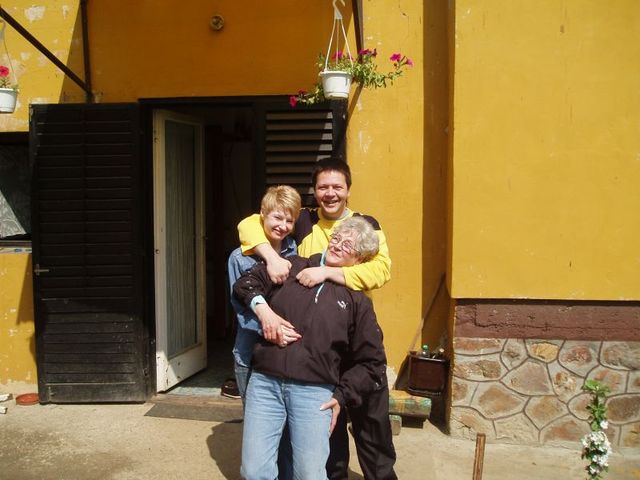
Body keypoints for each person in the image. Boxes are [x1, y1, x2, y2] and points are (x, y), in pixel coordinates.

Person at [237, 157, 396, 480]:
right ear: (315, 190)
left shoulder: (365, 225)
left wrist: (327, 272)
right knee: (326, 439)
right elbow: (252, 223)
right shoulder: (305, 221)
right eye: (323, 187)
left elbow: (381, 269)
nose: (330, 193)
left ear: (348, 190)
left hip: (351, 329)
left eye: (337, 186)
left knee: (370, 426)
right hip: (314, 348)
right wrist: (271, 258)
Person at [227, 185, 302, 401]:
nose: (283, 226)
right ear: (262, 214)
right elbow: (242, 311)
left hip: (286, 348)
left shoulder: (292, 248)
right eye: (277, 218)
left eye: (289, 221)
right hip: (250, 350)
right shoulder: (239, 258)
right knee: (254, 414)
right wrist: (274, 329)